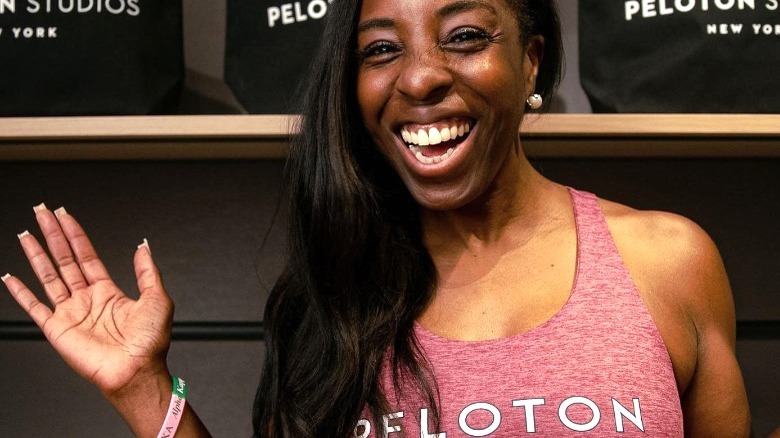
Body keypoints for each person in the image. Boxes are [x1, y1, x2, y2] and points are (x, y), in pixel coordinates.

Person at [3, 0, 752, 436]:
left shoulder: (668, 260)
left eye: (464, 36)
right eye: (382, 49)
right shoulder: (327, 295)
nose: (421, 76)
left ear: (531, 61)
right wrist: (142, 388)